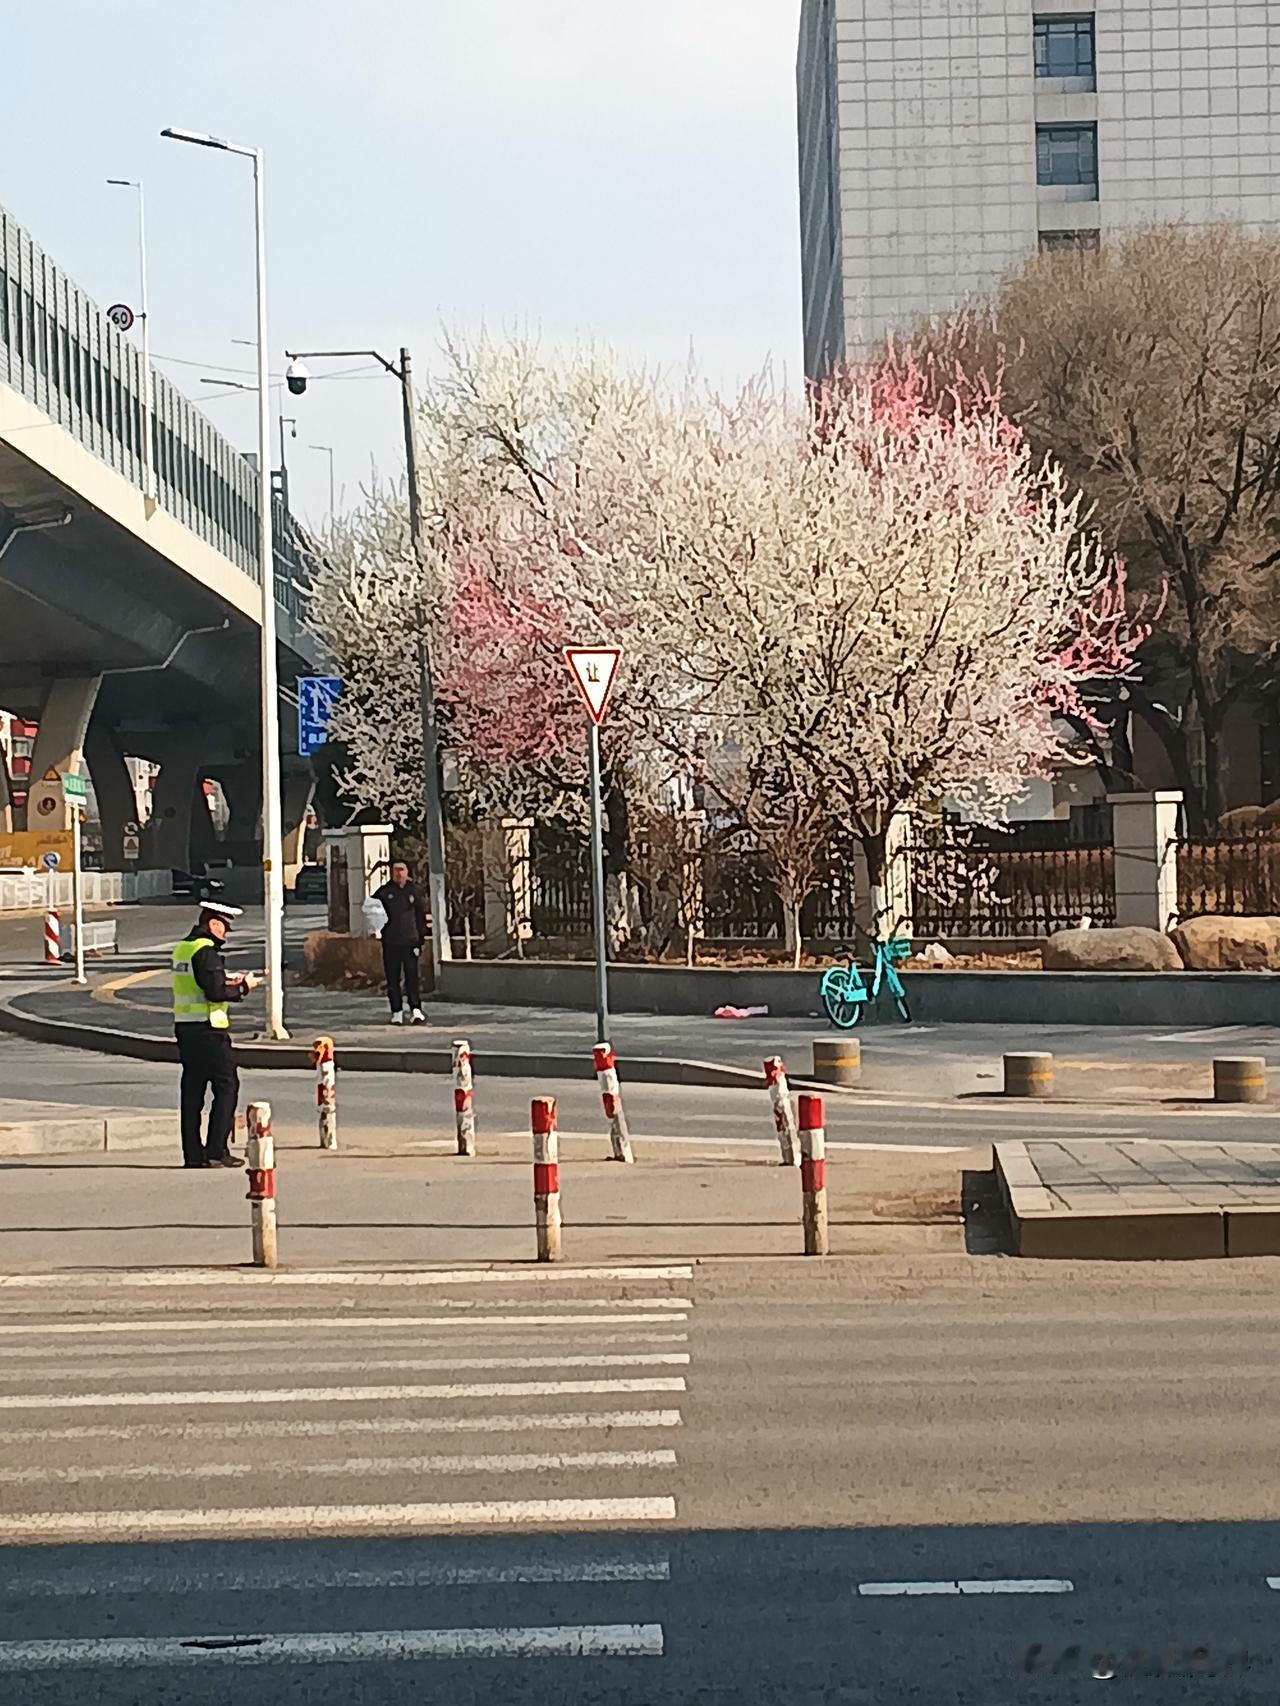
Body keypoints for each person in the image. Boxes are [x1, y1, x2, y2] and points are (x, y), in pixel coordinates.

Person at [171, 902, 260, 1169]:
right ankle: (216, 1151)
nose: (226, 933)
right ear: (213, 924)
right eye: (224, 927)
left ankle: (193, 1155)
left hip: (185, 1028)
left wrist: (225, 979)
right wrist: (243, 987)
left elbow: (198, 982)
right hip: (209, 1030)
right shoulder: (206, 951)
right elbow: (215, 992)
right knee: (226, 1087)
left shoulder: (183, 948)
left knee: (192, 1092)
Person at [373, 859, 428, 1025]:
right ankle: (396, 1011)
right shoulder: (384, 892)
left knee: (412, 976)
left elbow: (421, 916)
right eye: (396, 870)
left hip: (410, 942)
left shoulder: (414, 891)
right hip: (391, 942)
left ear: (407, 872)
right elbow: (372, 911)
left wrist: (420, 939)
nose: (399, 873)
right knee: (393, 978)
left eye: (402, 870)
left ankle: (415, 1009)